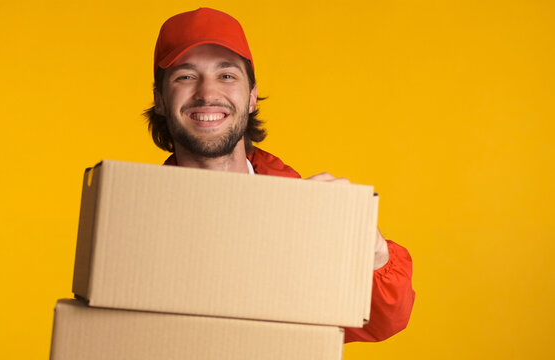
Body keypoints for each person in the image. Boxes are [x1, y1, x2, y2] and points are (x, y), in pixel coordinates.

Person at [144, 7, 415, 343]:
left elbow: (379, 322)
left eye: (227, 75)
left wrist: (370, 250)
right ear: (159, 99)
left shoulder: (306, 212)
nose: (207, 93)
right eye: (185, 76)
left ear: (253, 96)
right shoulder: (135, 223)